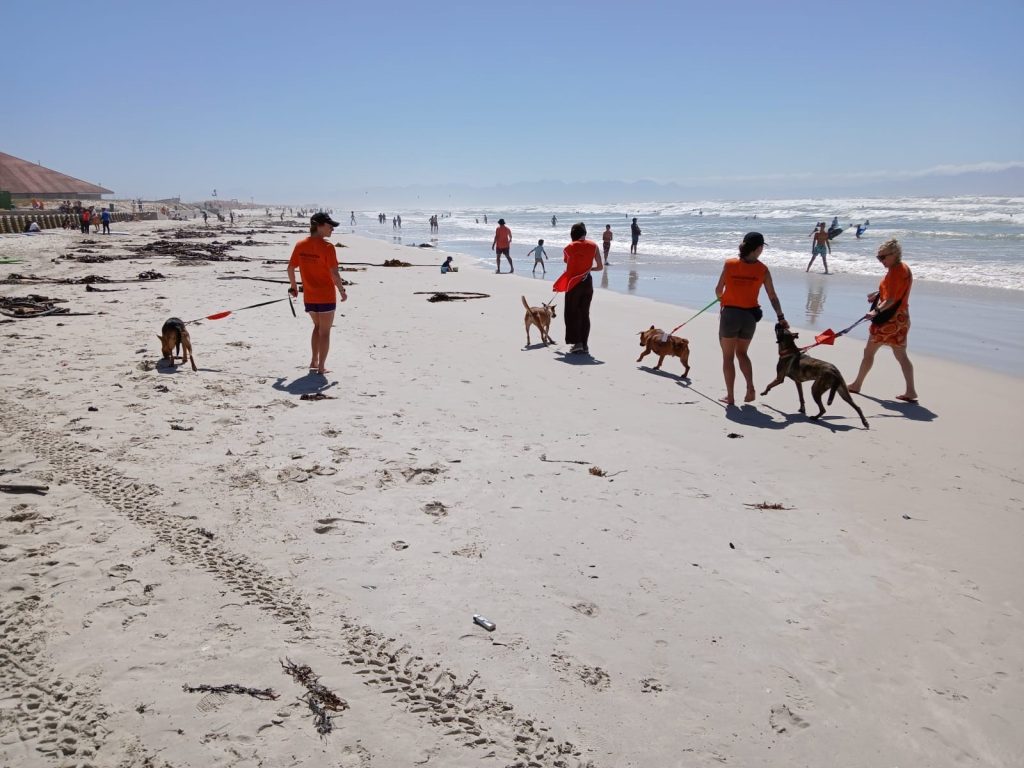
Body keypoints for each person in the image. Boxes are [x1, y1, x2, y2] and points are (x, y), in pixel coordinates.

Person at [714, 232, 788, 405]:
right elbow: (772, 296)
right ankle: (750, 388)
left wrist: (722, 298)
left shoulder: (730, 264)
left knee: (728, 357)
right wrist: (780, 316)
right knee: (742, 353)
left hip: (730, 315)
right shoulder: (762, 269)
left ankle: (730, 396)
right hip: (749, 317)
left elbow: (718, 290)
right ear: (758, 248)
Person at [848, 239, 917, 402]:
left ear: (894, 255)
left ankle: (857, 384)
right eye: (878, 258)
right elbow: (895, 292)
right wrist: (877, 294)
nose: (881, 261)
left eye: (883, 257)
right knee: (901, 355)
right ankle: (911, 391)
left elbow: (892, 299)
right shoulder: (903, 268)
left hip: (889, 320)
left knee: (869, 352)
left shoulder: (895, 271)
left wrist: (875, 311)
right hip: (902, 317)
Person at [287, 212, 348, 375]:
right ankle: (321, 367)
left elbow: (291, 268)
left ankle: (314, 361)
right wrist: (342, 291)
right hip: (325, 296)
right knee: (325, 331)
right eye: (330, 226)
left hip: (309, 297)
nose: (332, 230)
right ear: (319, 226)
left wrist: (294, 288)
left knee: (317, 327)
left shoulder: (300, 245)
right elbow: (334, 274)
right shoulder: (328, 247)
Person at [562, 222, 603, 354]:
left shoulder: (569, 247)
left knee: (571, 313)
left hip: (574, 284)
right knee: (585, 314)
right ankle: (585, 345)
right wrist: (588, 269)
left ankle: (577, 343)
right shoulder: (594, 246)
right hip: (587, 283)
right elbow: (600, 267)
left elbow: (566, 262)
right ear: (584, 233)